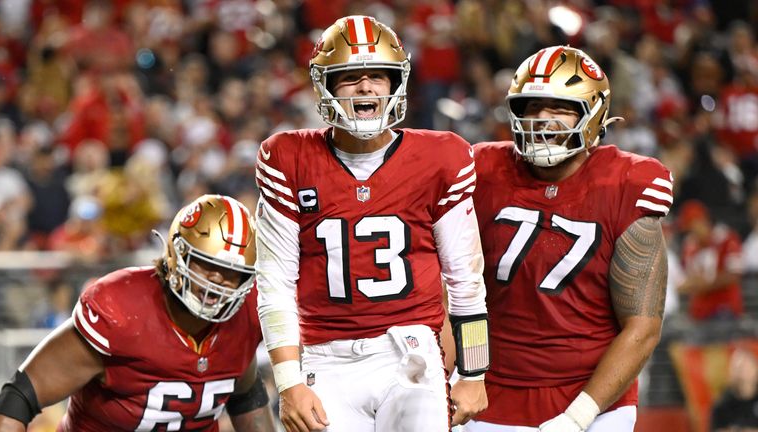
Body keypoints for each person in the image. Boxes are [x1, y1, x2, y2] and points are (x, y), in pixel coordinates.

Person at [254, 15, 489, 432]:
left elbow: (465, 280)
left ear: (397, 83)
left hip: (410, 353)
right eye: (350, 77)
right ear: (324, 85)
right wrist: (288, 381)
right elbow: (275, 281)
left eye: (379, 76)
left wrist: (473, 373)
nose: (366, 87)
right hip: (325, 358)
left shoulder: (440, 158)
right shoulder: (288, 158)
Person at [468, 46, 673, 431]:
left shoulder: (625, 184)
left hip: (594, 397)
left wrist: (579, 417)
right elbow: (457, 293)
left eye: (559, 108)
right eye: (533, 107)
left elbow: (642, 328)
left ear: (591, 115)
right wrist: (464, 373)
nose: (543, 120)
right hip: (492, 391)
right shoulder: (482, 172)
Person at [0, 194, 276, 432]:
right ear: (178, 254)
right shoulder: (122, 309)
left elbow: (246, 395)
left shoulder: (247, 312)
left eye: (232, 273)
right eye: (205, 264)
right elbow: (21, 396)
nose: (217, 281)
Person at [676, 199, 745, 322]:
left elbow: (734, 274)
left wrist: (706, 283)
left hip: (724, 309)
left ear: (702, 221)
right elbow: (686, 277)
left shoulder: (727, 238)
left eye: (692, 225)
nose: (691, 231)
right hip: (698, 311)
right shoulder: (690, 244)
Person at [711, 345, 758, 431]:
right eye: (741, 368)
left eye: (749, 366)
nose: (746, 371)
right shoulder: (724, 403)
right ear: (733, 372)